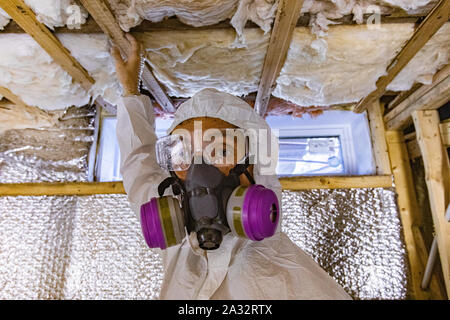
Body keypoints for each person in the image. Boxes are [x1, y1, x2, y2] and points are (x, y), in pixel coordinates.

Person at [112, 34, 351, 299]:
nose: (197, 171)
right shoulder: (181, 242)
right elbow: (139, 164)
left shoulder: (293, 279)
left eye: (221, 151)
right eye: (184, 154)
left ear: (255, 165)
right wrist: (130, 92)